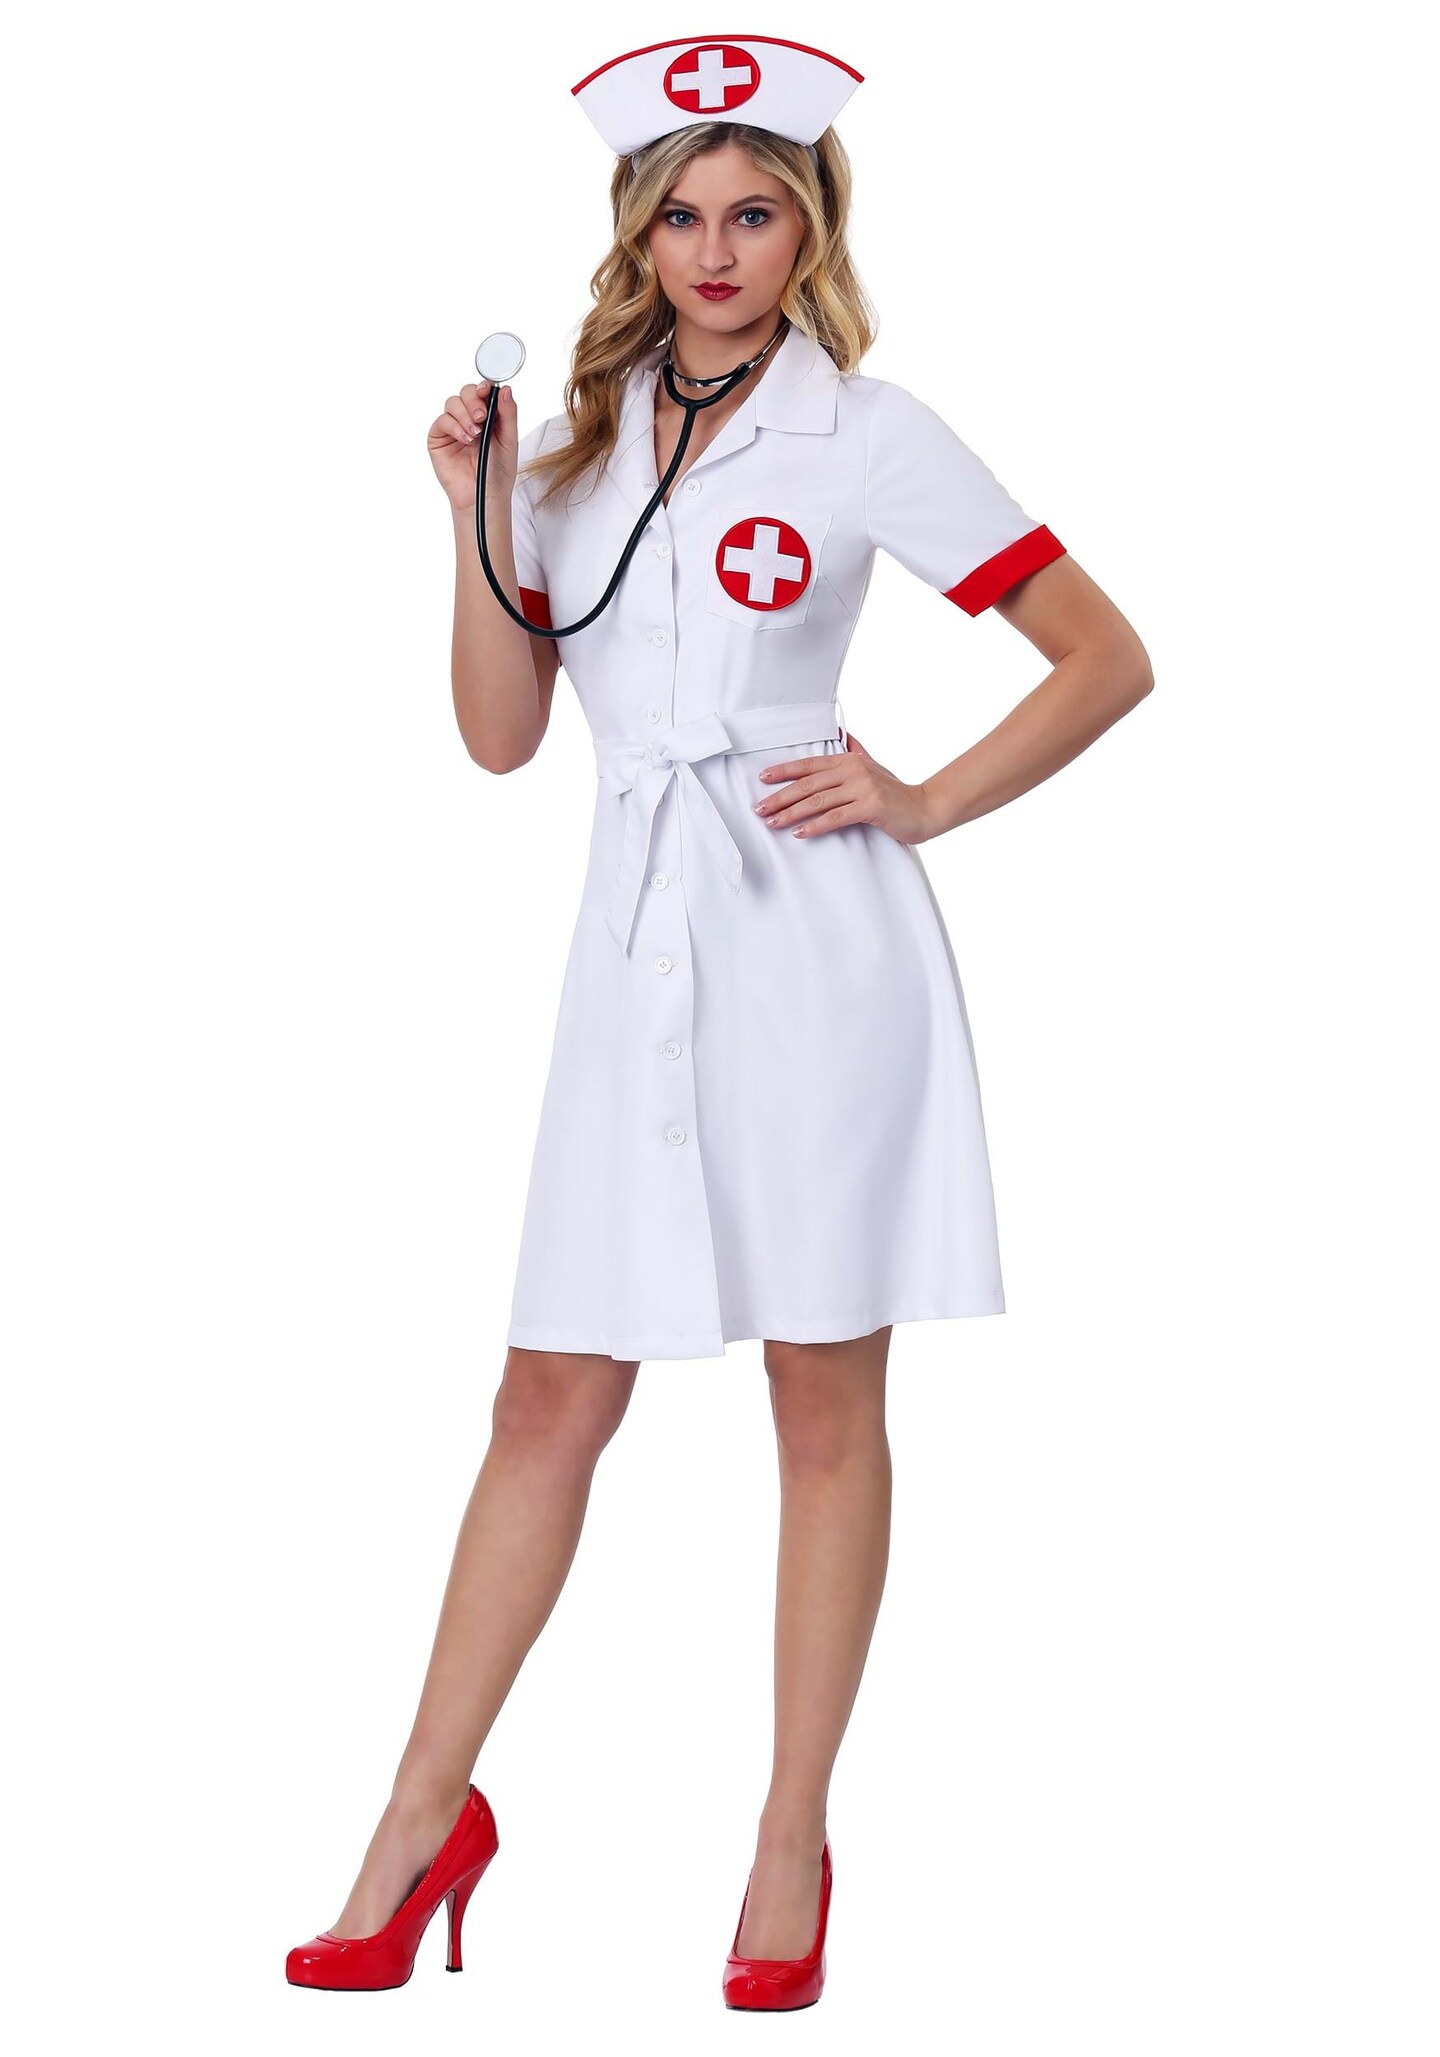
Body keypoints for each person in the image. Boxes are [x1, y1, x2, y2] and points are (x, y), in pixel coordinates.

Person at [286, 34, 1154, 2011]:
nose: (715, 250)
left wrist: (922, 796)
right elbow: (500, 738)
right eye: (681, 214)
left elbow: (1103, 655)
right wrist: (472, 511)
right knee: (546, 1397)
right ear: (637, 230)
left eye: (754, 212)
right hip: (632, 957)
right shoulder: (571, 443)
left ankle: (789, 1840)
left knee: (821, 1402)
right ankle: (418, 1820)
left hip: (819, 953)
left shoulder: (870, 435)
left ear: (809, 227)